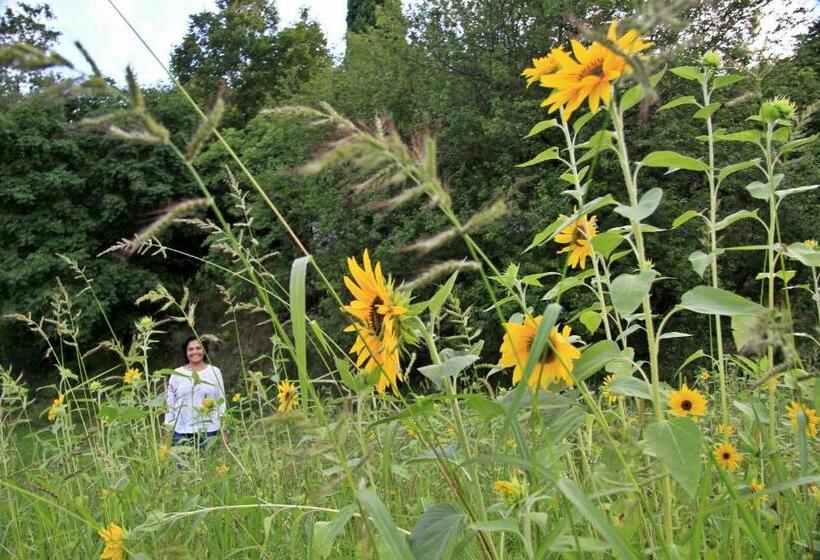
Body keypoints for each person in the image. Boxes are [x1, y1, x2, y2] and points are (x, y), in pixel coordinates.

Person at [164, 336, 227, 450]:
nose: (195, 352)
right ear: (186, 352)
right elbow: (170, 405)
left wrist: (224, 429)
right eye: (190, 349)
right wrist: (167, 431)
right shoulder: (176, 374)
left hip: (209, 431)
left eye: (198, 348)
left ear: (204, 350)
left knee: (209, 466)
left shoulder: (214, 372)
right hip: (181, 432)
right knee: (182, 467)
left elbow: (221, 402)